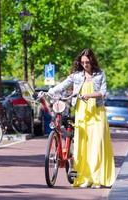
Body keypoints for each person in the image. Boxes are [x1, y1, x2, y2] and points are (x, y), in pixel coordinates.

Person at [48, 48, 115, 188]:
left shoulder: (100, 74)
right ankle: (84, 178)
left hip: (97, 112)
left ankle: (97, 179)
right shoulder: (76, 76)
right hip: (82, 112)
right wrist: (49, 92)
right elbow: (62, 85)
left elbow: (103, 92)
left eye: (87, 62)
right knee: (82, 145)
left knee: (97, 144)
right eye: (83, 62)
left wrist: (89, 96)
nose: (85, 64)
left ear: (92, 61)